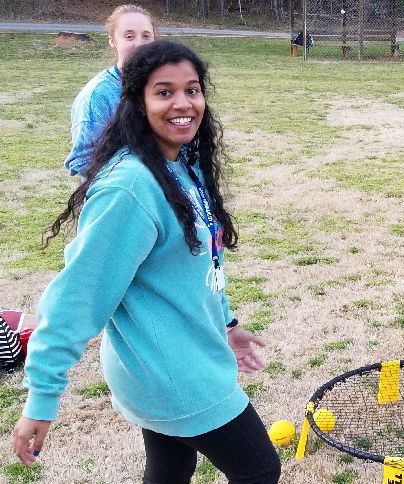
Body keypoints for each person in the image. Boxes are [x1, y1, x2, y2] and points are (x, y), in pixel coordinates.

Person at [11, 41, 281, 483]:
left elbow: (198, 266)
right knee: (259, 469)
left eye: (192, 89)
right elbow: (76, 299)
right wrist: (42, 397)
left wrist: (227, 324)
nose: (183, 103)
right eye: (164, 92)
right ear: (137, 102)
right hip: (175, 377)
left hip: (160, 366)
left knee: (171, 464)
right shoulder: (130, 188)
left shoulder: (178, 165)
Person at [63, 4, 157, 176]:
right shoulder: (98, 95)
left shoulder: (160, 84)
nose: (139, 44)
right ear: (113, 41)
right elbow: (82, 161)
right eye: (129, 36)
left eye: (146, 36)